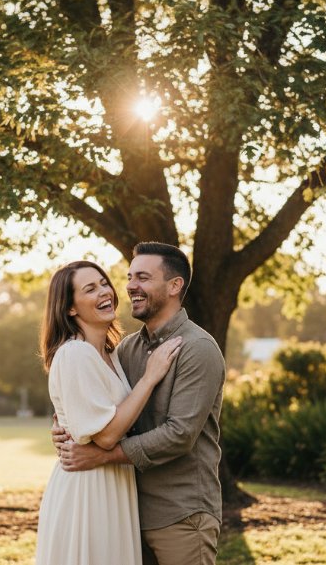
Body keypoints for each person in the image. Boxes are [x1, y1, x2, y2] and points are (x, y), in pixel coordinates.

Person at [54, 242, 227, 565]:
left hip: (181, 514)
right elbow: (100, 409)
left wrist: (100, 456)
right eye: (130, 277)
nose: (131, 286)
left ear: (174, 286)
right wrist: (64, 428)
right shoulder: (125, 350)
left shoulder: (197, 348)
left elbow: (180, 434)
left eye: (143, 278)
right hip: (125, 512)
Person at [35, 260, 182, 565]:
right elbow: (106, 436)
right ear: (70, 308)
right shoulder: (75, 354)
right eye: (90, 289)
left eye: (104, 283)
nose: (105, 292)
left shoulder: (113, 354)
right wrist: (150, 377)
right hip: (87, 489)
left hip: (114, 483)